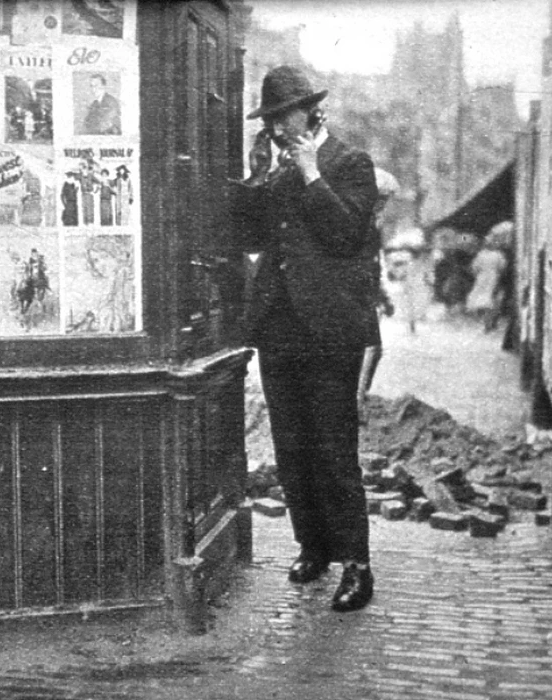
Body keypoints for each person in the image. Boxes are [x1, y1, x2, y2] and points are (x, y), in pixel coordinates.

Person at [230, 66, 379, 612]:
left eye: (283, 116)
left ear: (311, 112)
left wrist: (312, 174)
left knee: (334, 450)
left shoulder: (349, 163)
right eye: (269, 119)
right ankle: (312, 546)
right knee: (292, 446)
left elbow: (346, 234)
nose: (275, 127)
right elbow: (248, 238)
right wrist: (255, 178)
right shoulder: (275, 169)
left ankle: (356, 566)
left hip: (331, 330)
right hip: (279, 327)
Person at [357, 168, 398, 418]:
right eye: (380, 200)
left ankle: (359, 398)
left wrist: (382, 295)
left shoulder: (373, 227)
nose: (382, 206)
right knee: (365, 350)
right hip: (351, 298)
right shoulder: (356, 224)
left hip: (365, 297)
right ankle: (354, 402)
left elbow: (374, 264)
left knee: (372, 350)